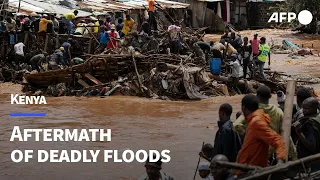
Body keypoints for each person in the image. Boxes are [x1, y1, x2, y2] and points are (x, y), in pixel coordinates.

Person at [234, 86, 297, 162]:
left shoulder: (253, 110)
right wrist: (293, 154)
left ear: (257, 96)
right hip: (272, 153)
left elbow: (236, 125)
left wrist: (248, 134)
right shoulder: (277, 111)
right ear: (270, 96)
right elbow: (285, 132)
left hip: (256, 152)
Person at [234, 94, 287, 174]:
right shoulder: (253, 120)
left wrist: (280, 161)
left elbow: (278, 140)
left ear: (244, 108)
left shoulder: (257, 122)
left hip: (252, 171)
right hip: (246, 167)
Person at [292, 97, 320, 165]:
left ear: (315, 107)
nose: (303, 111)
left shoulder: (310, 124)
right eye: (303, 108)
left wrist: (299, 133)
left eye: (307, 108)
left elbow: (312, 146)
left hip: (310, 160)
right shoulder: (317, 116)